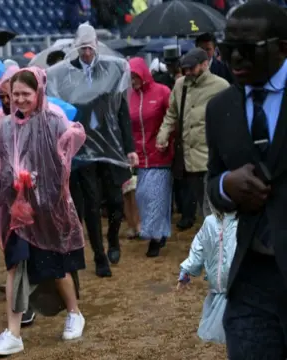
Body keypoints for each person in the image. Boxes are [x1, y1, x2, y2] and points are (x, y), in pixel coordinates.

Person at [205, 1, 287, 358]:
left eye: (247, 49)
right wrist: (226, 185)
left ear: (283, 46)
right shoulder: (219, 108)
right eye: (227, 49)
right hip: (251, 281)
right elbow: (211, 182)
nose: (235, 59)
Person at [0, 68, 87, 356]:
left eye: (25, 94)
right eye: (14, 94)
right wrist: (14, 181)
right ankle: (13, 331)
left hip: (47, 207)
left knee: (55, 265)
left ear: (38, 93)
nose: (19, 100)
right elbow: (0, 163)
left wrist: (39, 180)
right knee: (15, 266)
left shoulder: (54, 119)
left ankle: (74, 312)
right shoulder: (4, 126)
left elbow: (64, 161)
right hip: (17, 211)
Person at [47, 22, 137, 277]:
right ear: (77, 48)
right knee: (92, 204)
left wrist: (129, 147)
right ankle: (99, 256)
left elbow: (122, 112)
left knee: (117, 200)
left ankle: (114, 239)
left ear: (96, 46)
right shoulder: (65, 75)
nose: (86, 54)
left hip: (110, 148)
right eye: (82, 49)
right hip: (83, 150)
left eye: (89, 48)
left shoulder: (112, 70)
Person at [156, 48, 229, 230]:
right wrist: (163, 134)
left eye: (192, 68)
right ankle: (216, 241)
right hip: (188, 158)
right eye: (185, 68)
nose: (188, 72)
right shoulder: (181, 85)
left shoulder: (221, 86)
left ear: (205, 64)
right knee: (202, 205)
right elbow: (171, 113)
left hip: (211, 156)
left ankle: (218, 245)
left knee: (210, 205)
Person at [128, 57, 174, 257]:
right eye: (129, 77)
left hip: (159, 153)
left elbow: (172, 118)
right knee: (144, 196)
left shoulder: (162, 91)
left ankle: (154, 238)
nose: (133, 80)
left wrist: (166, 141)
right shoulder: (129, 96)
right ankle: (160, 232)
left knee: (153, 195)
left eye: (135, 76)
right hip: (139, 156)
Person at [177, 205, 238, 344]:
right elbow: (198, 247)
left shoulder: (244, 223)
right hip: (217, 289)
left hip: (239, 289)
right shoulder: (210, 222)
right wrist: (185, 272)